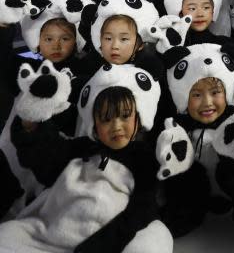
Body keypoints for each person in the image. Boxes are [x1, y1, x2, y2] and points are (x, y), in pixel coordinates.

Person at [0, 64, 173, 252]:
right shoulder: (83, 147)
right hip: (55, 231)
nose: (116, 126)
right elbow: (47, 161)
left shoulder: (143, 157)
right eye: (106, 119)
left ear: (138, 117)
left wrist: (100, 245)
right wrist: (31, 124)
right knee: (7, 235)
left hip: (109, 237)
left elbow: (143, 208)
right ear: (94, 124)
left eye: (124, 116)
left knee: (153, 242)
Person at [157, 43, 234, 236]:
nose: (207, 102)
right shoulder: (178, 124)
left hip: (230, 190)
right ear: (183, 96)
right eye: (196, 94)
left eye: (215, 93)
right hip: (196, 193)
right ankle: (186, 213)